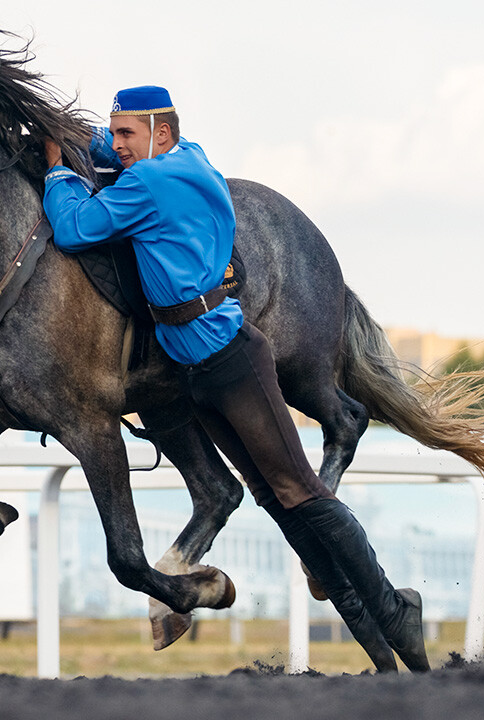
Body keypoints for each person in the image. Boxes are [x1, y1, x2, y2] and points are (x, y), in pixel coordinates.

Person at [42, 85, 429, 673]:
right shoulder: (185, 157)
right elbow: (108, 142)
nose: (115, 145)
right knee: (279, 500)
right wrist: (81, 134)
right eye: (114, 133)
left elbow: (72, 229)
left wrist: (55, 170)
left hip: (230, 363)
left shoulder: (150, 183)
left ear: (160, 133)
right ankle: (383, 653)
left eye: (126, 135)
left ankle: (398, 611)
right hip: (198, 372)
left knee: (300, 491)